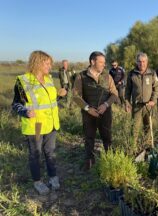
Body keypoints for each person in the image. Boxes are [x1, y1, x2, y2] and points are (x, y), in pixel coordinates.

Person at [12, 50, 67, 195]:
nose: (50, 66)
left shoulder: (49, 79)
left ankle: (53, 176)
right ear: (37, 63)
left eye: (50, 63)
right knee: (35, 154)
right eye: (47, 63)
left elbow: (50, 101)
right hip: (36, 125)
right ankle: (37, 181)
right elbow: (16, 104)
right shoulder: (23, 81)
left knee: (50, 152)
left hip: (51, 124)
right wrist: (25, 112)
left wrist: (60, 96)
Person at [73, 51, 118, 170]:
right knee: (89, 138)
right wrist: (88, 109)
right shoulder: (81, 76)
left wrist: (106, 104)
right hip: (89, 114)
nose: (104, 64)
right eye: (101, 62)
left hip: (105, 112)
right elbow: (76, 96)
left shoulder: (107, 76)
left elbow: (114, 94)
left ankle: (110, 160)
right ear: (92, 62)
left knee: (107, 137)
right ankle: (89, 161)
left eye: (104, 62)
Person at [125, 52, 158, 152]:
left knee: (148, 128)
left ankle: (147, 148)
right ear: (137, 62)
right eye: (139, 62)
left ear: (147, 62)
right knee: (134, 129)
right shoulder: (132, 74)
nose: (142, 64)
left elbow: (156, 88)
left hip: (149, 106)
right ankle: (132, 149)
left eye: (144, 61)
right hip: (136, 106)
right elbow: (127, 90)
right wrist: (127, 103)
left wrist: (153, 100)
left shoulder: (152, 73)